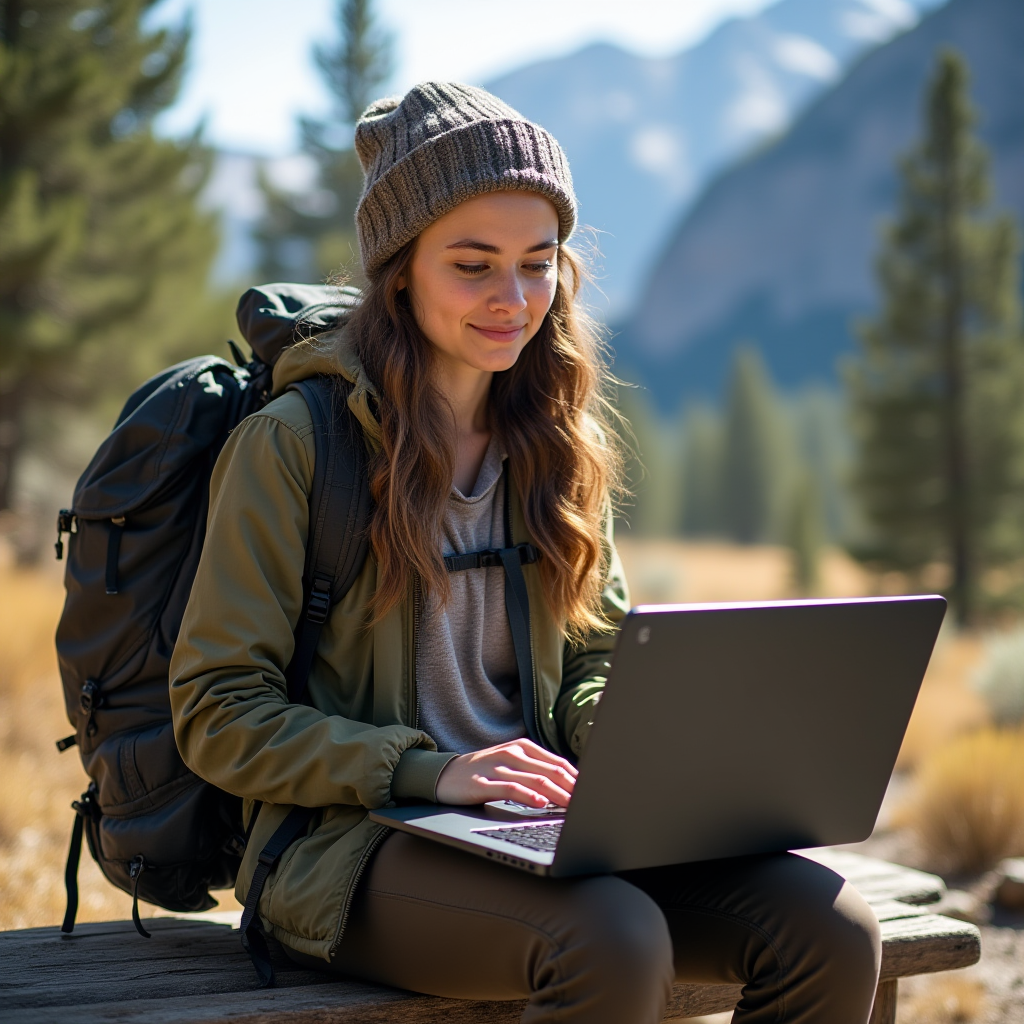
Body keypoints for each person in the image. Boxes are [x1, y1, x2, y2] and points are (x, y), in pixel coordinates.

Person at [170, 82, 881, 1024]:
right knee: (610, 939)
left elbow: (594, 654)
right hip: (350, 846)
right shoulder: (298, 445)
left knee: (831, 930)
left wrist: (623, 738)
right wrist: (434, 771)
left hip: (554, 831)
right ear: (398, 273)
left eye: (537, 264)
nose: (513, 301)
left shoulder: (556, 438)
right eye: (473, 265)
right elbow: (216, 710)